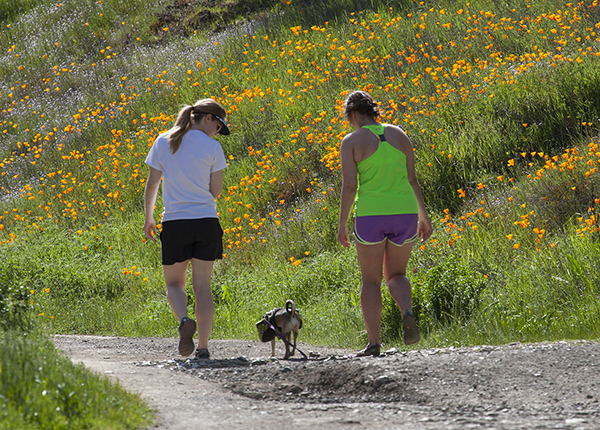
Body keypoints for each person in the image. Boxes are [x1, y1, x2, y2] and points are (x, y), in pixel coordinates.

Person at [337, 90, 432, 357]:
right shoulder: (399, 134)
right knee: (397, 275)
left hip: (371, 214)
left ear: (353, 115)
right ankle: (407, 311)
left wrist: (342, 224)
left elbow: (349, 185)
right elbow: (413, 179)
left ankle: (374, 343)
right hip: (405, 212)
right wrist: (423, 217)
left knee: (370, 281)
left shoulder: (352, 141)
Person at [143, 98, 230, 360]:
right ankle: (203, 347)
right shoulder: (213, 148)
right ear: (207, 119)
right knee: (203, 287)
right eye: (219, 126)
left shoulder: (163, 141)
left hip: (175, 222)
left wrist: (149, 218)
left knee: (174, 283)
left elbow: (152, 185)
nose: (218, 132)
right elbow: (215, 192)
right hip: (206, 222)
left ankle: (184, 321)